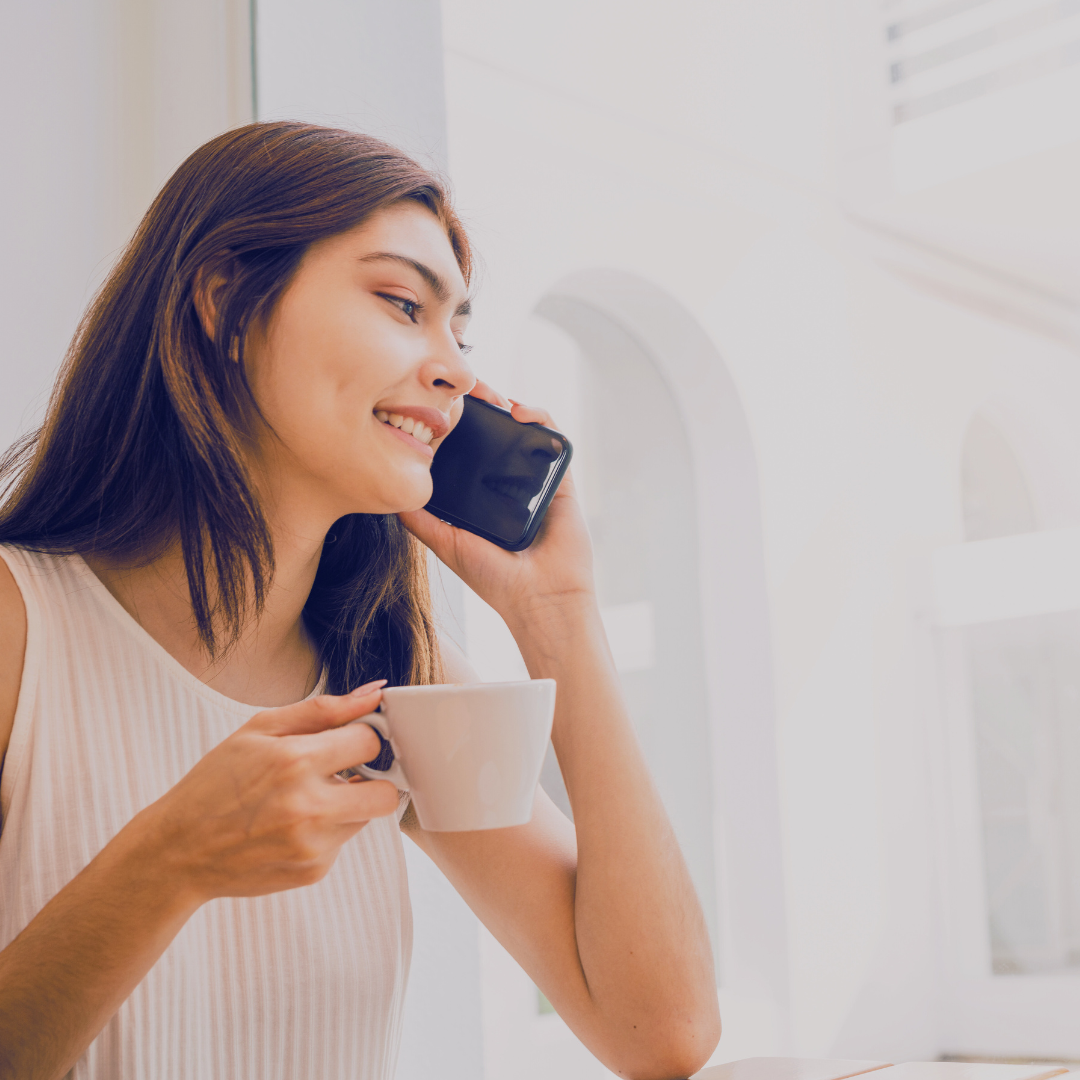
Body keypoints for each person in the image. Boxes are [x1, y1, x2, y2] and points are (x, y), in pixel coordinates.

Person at [0, 122, 720, 1080]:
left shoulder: (392, 676)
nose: (458, 369)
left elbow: (659, 1030)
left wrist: (560, 617)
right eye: (400, 303)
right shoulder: (19, 630)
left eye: (460, 331)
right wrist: (168, 862)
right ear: (224, 303)